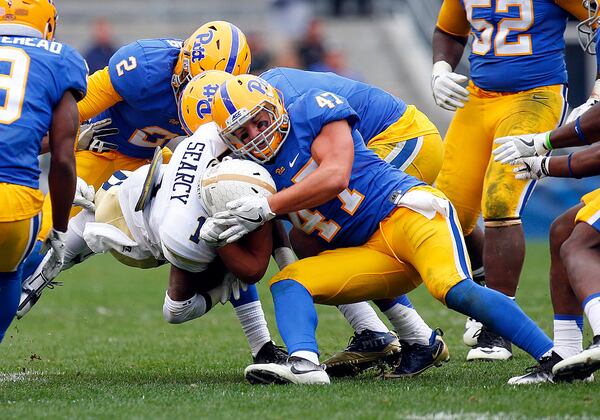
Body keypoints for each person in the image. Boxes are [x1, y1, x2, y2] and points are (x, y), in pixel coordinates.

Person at [202, 74, 559, 385]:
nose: (254, 135)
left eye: (258, 121)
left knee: (450, 288)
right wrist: (216, 231)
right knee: (289, 282)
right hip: (371, 252)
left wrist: (267, 207)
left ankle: (552, 358)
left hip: (408, 213)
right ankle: (305, 364)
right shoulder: (246, 170)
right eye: (241, 132)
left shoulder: (312, 108)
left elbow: (335, 175)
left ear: (274, 106)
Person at [19, 71, 287, 364]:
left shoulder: (207, 141)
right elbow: (176, 308)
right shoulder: (189, 218)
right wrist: (225, 275)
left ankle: (27, 280)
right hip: (136, 230)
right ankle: (262, 345)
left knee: (60, 247)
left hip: (134, 193)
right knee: (224, 249)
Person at [19, 20, 252, 306]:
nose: (197, 91)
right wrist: (77, 135)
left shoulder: (222, 102)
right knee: (41, 232)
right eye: (192, 80)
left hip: (150, 161)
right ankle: (16, 289)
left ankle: (261, 342)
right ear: (184, 59)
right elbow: (73, 110)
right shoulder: (144, 66)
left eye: (210, 88)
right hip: (100, 148)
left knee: (221, 208)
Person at [261, 66, 447, 378]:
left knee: (343, 230)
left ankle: (418, 336)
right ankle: (375, 333)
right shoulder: (257, 104)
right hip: (371, 147)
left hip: (401, 136)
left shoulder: (279, 97)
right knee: (308, 238)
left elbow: (326, 171)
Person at [431, 0, 590, 361]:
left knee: (501, 200)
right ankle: (486, 275)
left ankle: (498, 328)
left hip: (534, 96)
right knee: (444, 209)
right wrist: (440, 69)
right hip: (477, 100)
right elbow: (449, 31)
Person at [0, 0, 87, 342]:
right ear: (48, 23)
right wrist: (61, 229)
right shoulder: (60, 58)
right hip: (13, 201)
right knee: (7, 275)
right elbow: (64, 159)